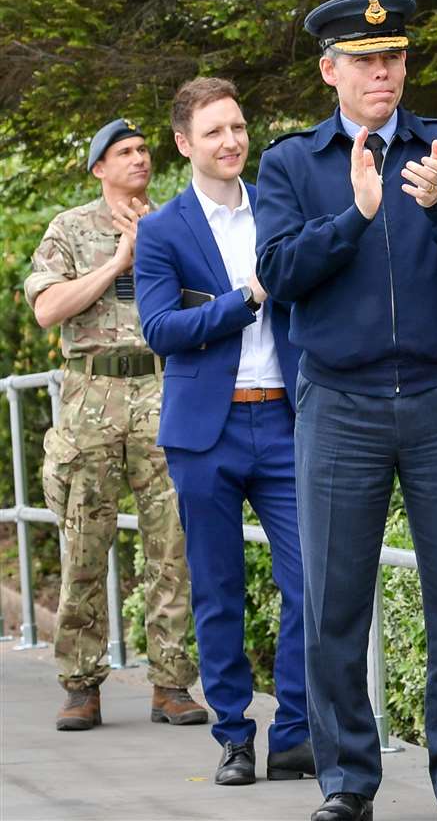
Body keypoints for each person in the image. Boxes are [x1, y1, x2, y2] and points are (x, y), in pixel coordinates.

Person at [254, 0, 437, 821]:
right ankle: (346, 782)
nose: (384, 73)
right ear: (330, 69)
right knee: (335, 601)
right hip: (340, 403)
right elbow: (279, 272)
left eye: (395, 58)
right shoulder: (291, 165)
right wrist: (356, 216)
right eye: (366, 61)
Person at [133, 77, 313, 786]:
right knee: (217, 590)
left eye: (237, 127)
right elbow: (161, 329)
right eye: (214, 132)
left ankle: (295, 732)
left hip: (288, 418)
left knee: (311, 586)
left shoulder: (278, 211)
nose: (232, 141)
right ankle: (234, 735)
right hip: (204, 431)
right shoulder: (162, 230)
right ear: (185, 143)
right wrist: (246, 301)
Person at [24, 119, 207, 734]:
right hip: (91, 395)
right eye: (123, 152)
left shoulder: (177, 223)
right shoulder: (70, 229)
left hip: (162, 389)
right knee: (83, 544)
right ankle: (80, 686)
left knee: (172, 546)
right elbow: (48, 308)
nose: (138, 159)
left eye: (142, 150)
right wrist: (119, 263)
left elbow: (204, 302)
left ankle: (172, 684)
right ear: (99, 167)